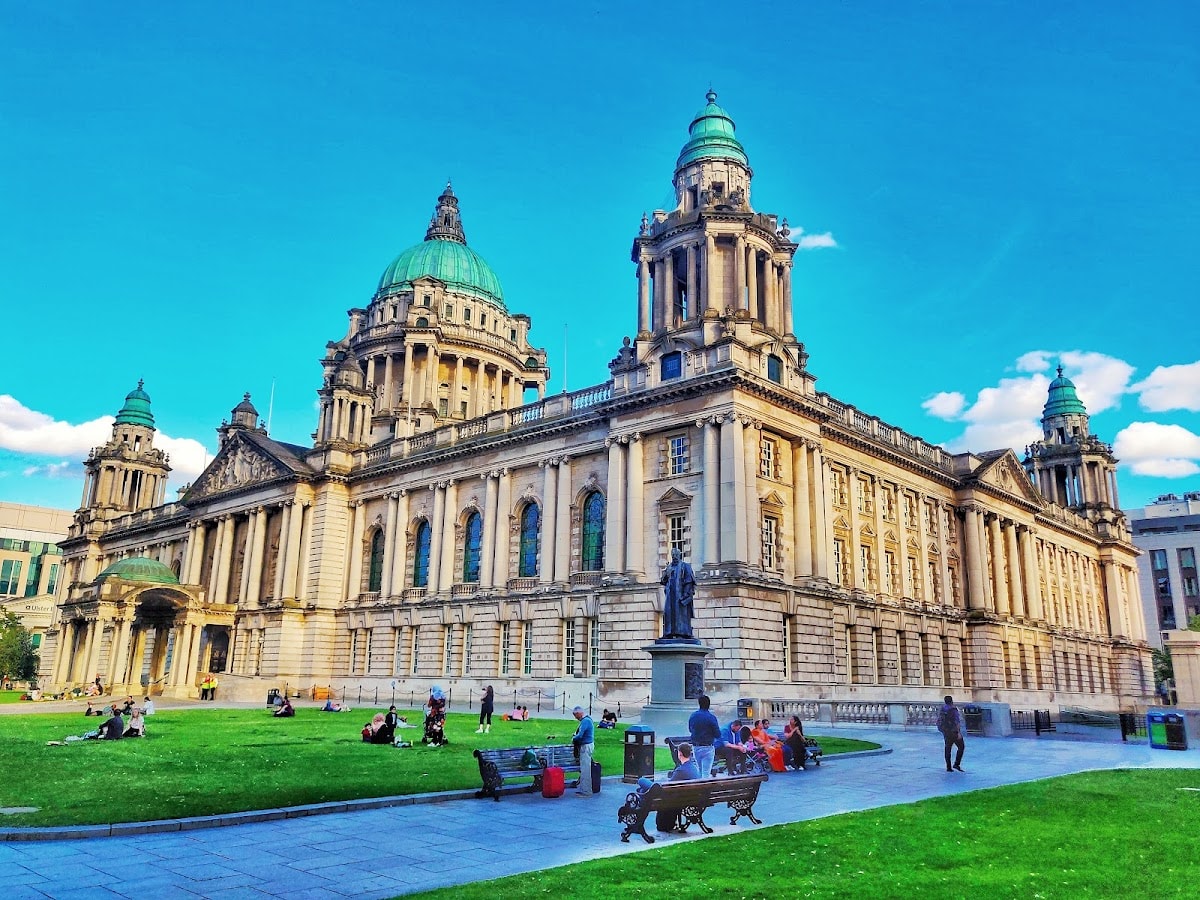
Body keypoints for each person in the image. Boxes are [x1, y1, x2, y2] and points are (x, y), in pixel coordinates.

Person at [660, 548, 696, 639]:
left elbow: (689, 581)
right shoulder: (669, 567)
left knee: (681, 615)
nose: (674, 557)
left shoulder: (685, 566)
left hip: (680, 596)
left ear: (679, 555)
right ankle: (668, 633)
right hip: (670, 595)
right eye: (673, 555)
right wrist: (666, 574)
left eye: (676, 555)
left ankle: (683, 633)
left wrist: (685, 595)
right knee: (668, 613)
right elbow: (663, 581)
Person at [687, 695, 720, 777]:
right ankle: (704, 788)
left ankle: (699, 787)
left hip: (696, 747)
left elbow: (690, 729)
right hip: (707, 747)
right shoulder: (711, 717)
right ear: (708, 704)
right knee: (706, 772)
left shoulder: (693, 716)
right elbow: (717, 734)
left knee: (700, 770)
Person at [937, 695, 966, 772]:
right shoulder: (953, 709)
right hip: (953, 731)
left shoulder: (943, 709)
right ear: (952, 701)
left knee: (948, 748)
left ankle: (948, 767)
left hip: (946, 731)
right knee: (961, 747)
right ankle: (956, 764)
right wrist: (958, 732)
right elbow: (957, 721)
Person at [571, 706, 595, 797]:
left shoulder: (585, 721)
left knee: (585, 770)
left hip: (585, 746)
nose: (575, 717)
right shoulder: (588, 720)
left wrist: (573, 738)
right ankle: (584, 790)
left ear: (579, 713)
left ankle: (586, 792)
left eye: (575, 715)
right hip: (588, 745)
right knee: (585, 769)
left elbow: (580, 735)